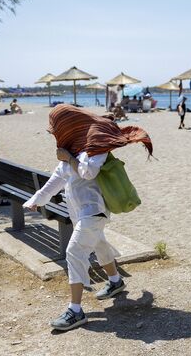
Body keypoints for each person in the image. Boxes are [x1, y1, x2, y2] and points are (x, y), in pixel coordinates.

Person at [23, 104, 153, 331]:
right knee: (99, 244)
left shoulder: (95, 149)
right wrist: (36, 200)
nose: (54, 133)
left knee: (74, 252)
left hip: (94, 212)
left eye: (56, 128)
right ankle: (115, 282)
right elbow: (56, 180)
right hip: (80, 215)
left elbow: (88, 172)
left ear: (69, 126)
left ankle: (75, 311)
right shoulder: (71, 150)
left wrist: (69, 157)